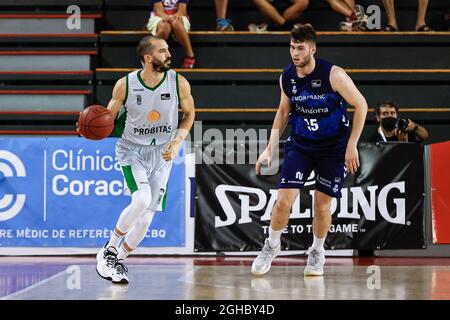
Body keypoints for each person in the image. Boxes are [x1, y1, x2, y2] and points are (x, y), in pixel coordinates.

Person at [251, 24, 367, 277]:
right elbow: (283, 112)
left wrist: (351, 145)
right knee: (282, 202)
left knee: (322, 207)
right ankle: (271, 245)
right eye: (292, 47)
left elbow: (361, 105)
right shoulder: (287, 76)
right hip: (301, 145)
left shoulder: (333, 75)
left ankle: (316, 251)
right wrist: (269, 148)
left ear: (312, 49)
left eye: (300, 48)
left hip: (332, 148)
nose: (294, 53)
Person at [90, 36, 195, 284]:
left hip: (162, 154)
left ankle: (119, 260)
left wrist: (177, 141)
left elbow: (190, 114)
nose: (169, 54)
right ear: (148, 57)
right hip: (132, 150)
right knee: (141, 199)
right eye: (162, 50)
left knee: (147, 218)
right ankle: (109, 250)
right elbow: (106, 120)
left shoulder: (178, 82)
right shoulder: (125, 85)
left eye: (168, 49)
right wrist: (88, 128)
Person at [146, 0, 196, 68]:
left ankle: (190, 56)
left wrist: (174, 17)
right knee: (165, 27)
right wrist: (168, 18)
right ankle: (152, 56)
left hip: (178, 17)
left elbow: (182, 10)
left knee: (176, 23)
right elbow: (158, 11)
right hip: (159, 17)